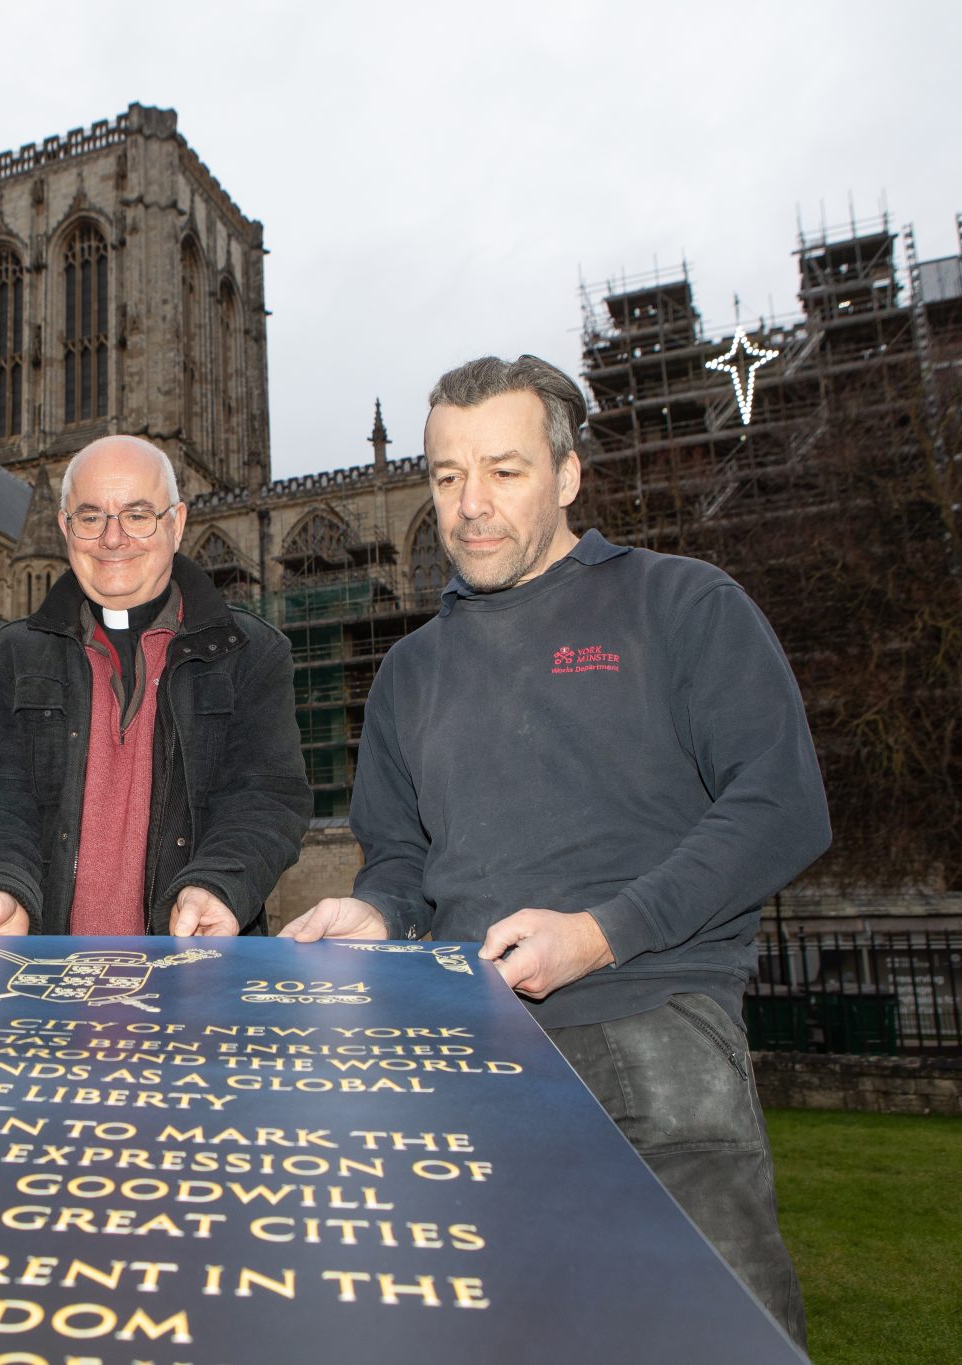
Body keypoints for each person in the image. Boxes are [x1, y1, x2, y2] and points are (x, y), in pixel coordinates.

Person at [287, 355, 826, 1346]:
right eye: (446, 477)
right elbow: (399, 861)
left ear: (567, 475)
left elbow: (781, 806)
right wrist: (375, 913)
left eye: (503, 470)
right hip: (469, 1055)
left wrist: (598, 934)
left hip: (653, 1031)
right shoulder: (407, 674)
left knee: (716, 1338)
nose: (469, 505)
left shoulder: (678, 605)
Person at [0, 436, 311, 938]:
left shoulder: (250, 653)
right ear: (64, 528)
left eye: (138, 515)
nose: (113, 539)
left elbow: (265, 798)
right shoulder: (10, 655)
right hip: (45, 977)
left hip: (189, 973)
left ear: (177, 524)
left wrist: (218, 886)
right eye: (91, 517)